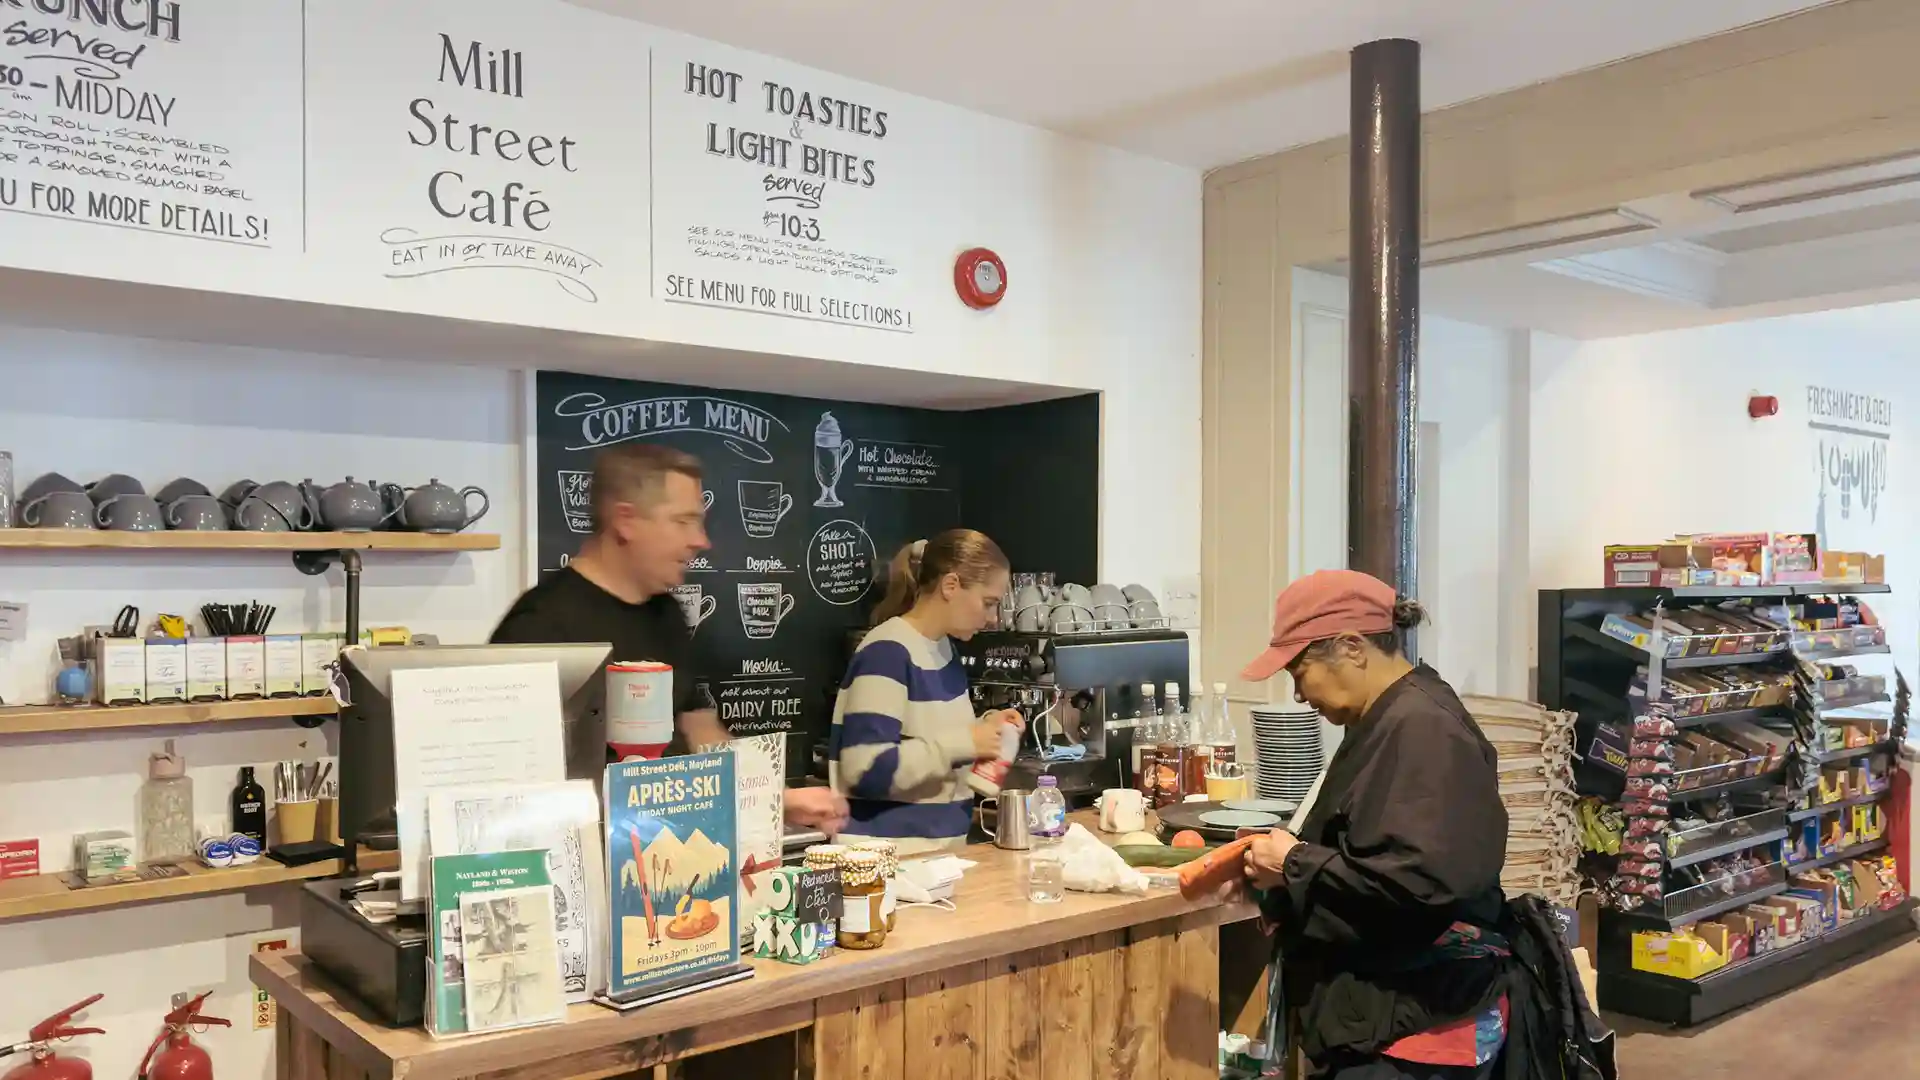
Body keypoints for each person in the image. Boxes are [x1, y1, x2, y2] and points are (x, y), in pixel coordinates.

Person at [490, 442, 848, 836]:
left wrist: (776, 797)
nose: (701, 541)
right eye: (684, 521)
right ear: (626, 520)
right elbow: (507, 785)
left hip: (675, 849)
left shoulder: (666, 611)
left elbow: (699, 730)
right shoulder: (539, 627)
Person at [1236, 569, 1510, 1080]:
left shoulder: (1423, 728)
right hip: (1385, 1015)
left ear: (1351, 647)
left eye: (1299, 673)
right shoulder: (1386, 717)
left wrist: (1294, 863)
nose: (1300, 696)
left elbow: (1418, 882)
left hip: (1418, 1029)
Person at [829, 530, 1024, 854]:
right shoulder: (887, 652)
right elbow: (865, 770)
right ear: (950, 586)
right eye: (988, 603)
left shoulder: (943, 650)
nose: (992, 618)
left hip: (934, 858)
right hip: (885, 864)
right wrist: (965, 742)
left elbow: (929, 736)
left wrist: (987, 728)